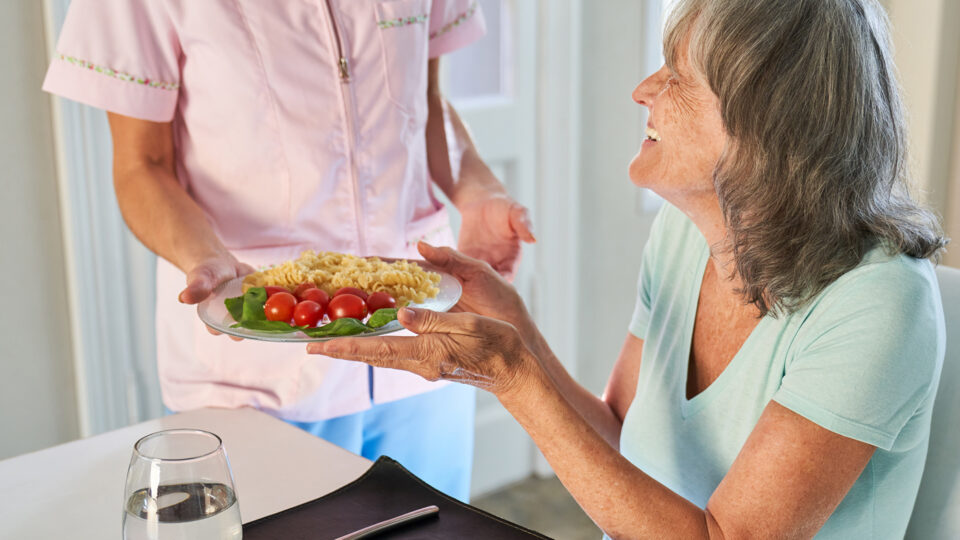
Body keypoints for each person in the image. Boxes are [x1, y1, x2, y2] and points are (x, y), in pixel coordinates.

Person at [308, 0, 948, 536]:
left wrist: (515, 377)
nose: (643, 89)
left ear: (770, 119)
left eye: (678, 75)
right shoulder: (686, 234)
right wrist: (517, 330)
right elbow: (618, 436)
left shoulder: (880, 302)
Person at [43, 0, 534, 501]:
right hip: (263, 356)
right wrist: (205, 257)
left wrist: (479, 194)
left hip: (418, 336)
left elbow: (427, 102)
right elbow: (141, 164)